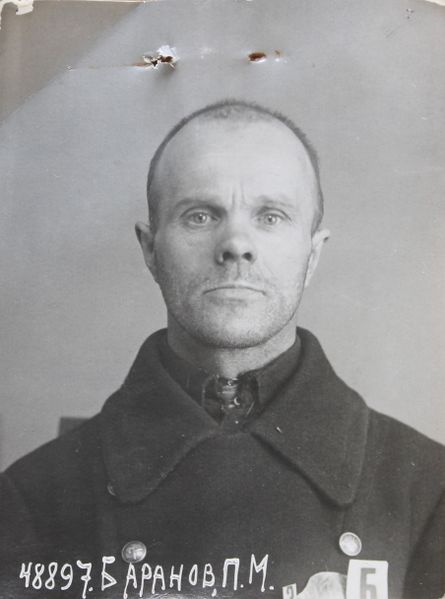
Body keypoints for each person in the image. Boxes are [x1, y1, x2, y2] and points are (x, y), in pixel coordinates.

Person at [1, 100, 444, 599]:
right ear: (150, 249)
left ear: (313, 254)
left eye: (271, 216)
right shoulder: (32, 498)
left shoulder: (429, 492)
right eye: (200, 215)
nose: (236, 243)